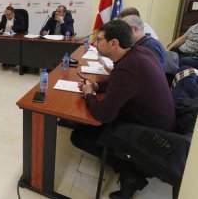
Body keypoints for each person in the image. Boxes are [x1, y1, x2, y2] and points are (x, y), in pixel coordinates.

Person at [70, 20, 176, 199]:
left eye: (99, 39)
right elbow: (115, 82)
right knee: (85, 126)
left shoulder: (127, 67)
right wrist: (96, 85)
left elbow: (104, 114)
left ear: (114, 43)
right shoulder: (139, 53)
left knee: (79, 136)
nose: (95, 43)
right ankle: (129, 167)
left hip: (152, 136)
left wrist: (89, 94)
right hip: (162, 124)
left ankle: (131, 173)